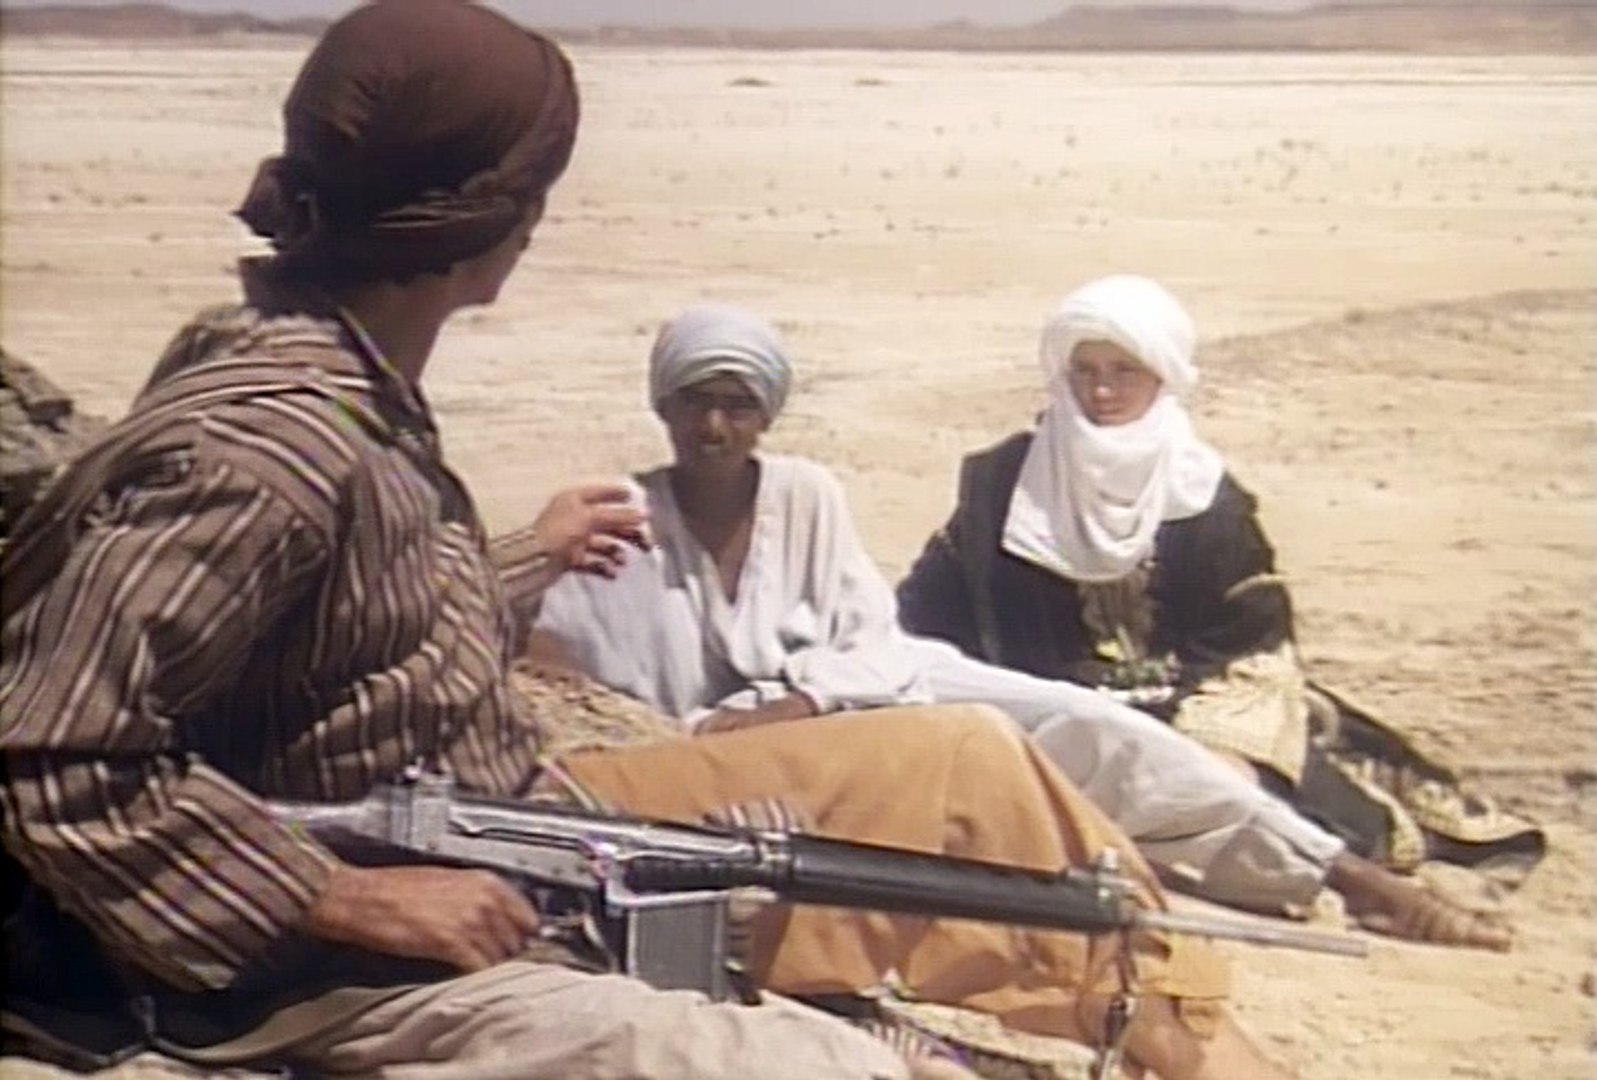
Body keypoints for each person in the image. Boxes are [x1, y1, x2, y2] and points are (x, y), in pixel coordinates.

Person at [0, 5, 1287, 1079]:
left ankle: (1194, 1042)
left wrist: (520, 562)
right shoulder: (264, 445)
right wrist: (334, 896)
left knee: (963, 765)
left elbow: (333, 635)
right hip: (335, 972)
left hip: (505, 823)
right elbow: (50, 746)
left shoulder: (344, 384)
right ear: (487, 222)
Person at [530, 303, 1512, 951]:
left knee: (1100, 733)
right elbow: (566, 665)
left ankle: (1352, 879)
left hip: (862, 686)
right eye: (695, 403)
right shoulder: (622, 513)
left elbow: (873, 633)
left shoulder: (805, 493)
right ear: (663, 407)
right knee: (1001, 782)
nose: (714, 428)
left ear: (766, 415)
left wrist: (804, 694)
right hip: (744, 746)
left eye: (737, 405)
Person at [895, 274, 1542, 883]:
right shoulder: (1003, 487)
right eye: (1084, 371)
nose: (1101, 392)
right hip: (1045, 716)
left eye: (1123, 372)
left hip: (1186, 713)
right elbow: (924, 615)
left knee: (1232, 799)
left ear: (1164, 376)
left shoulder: (1204, 499)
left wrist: (1208, 747)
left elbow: (1251, 649)